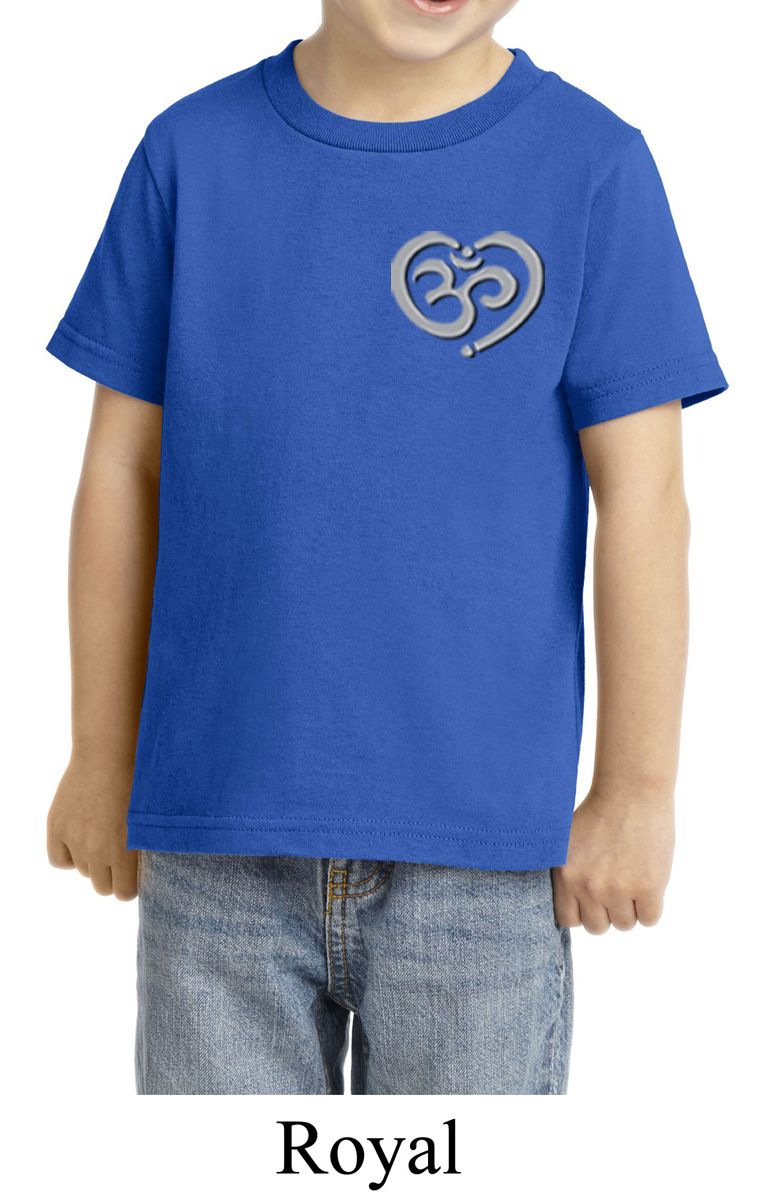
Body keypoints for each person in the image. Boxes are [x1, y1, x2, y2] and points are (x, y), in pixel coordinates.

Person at [45, 0, 727, 1095]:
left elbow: (644, 499)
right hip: (217, 835)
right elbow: (123, 471)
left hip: (483, 860)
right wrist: (99, 751)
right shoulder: (189, 153)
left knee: (467, 1171)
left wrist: (636, 791)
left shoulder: (594, 165)